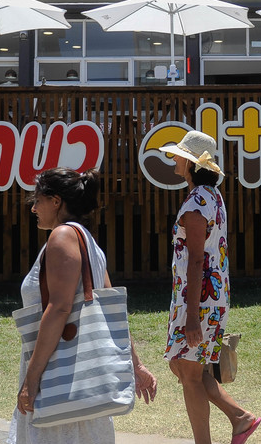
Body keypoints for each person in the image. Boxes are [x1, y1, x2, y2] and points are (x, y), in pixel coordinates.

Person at [10, 167, 158, 444]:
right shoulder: (88, 242)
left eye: (37, 200)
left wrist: (31, 380)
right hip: (86, 377)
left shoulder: (62, 237)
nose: (33, 208)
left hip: (60, 376)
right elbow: (111, 311)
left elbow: (59, 309)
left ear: (56, 201)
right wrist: (135, 364)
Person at [157, 130, 261, 444]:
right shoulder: (211, 196)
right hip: (209, 296)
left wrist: (191, 316)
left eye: (179, 156)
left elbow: (196, 260)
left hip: (199, 299)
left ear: (191, 163)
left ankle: (228, 426)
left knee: (189, 374)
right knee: (182, 367)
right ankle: (240, 418)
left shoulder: (196, 202)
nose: (174, 159)